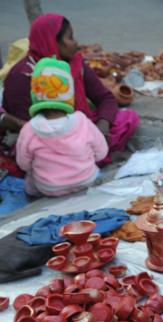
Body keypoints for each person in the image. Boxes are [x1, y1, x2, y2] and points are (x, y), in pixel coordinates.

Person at [2, 13, 139, 165]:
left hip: (77, 130)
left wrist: (102, 127)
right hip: (45, 140)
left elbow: (105, 98)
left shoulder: (74, 63)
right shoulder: (22, 76)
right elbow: (30, 130)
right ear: (53, 41)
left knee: (127, 118)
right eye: (70, 38)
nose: (76, 43)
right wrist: (76, 140)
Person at [16, 57, 108, 197]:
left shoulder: (29, 130)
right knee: (96, 172)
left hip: (49, 188)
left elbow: (23, 164)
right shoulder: (82, 121)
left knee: (29, 183)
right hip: (86, 180)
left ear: (35, 94)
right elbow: (101, 153)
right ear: (69, 94)